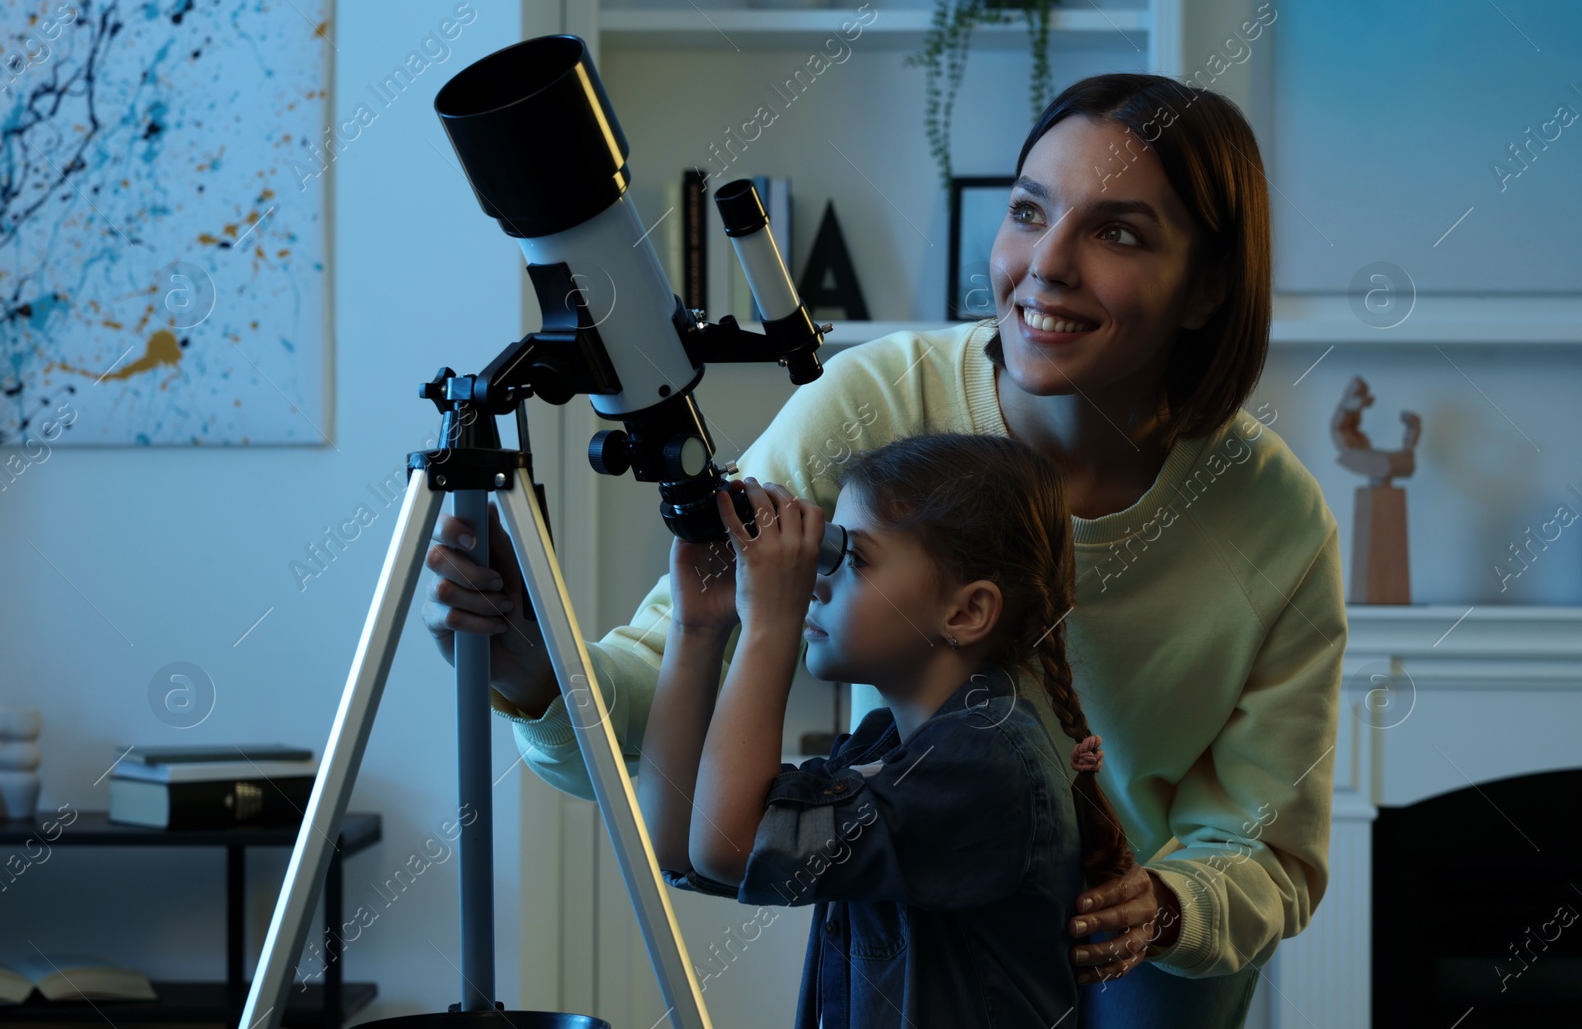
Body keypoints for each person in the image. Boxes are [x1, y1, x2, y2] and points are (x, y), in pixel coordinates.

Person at [422, 72, 1347, 1028]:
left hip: (1143, 954)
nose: (1048, 264)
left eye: (1118, 231)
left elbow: (1268, 846)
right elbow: (686, 802)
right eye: (1029, 211)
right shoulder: (873, 412)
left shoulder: (1275, 522)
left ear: (1205, 288)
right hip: (927, 937)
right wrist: (538, 674)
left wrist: (1165, 909)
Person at [638, 433, 1127, 1028]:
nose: (816, 583)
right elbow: (683, 842)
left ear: (965, 612)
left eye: (855, 560)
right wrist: (698, 629)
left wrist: (771, 623)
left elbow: (727, 846)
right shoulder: (885, 748)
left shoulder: (984, 763)